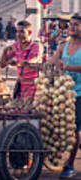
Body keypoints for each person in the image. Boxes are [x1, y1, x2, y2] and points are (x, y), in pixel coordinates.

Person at [49, 13, 81, 179]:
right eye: (71, 24)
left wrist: (67, 66)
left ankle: (69, 164)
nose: (73, 27)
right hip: (63, 93)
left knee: (73, 129)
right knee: (57, 124)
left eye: (76, 24)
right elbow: (52, 61)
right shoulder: (63, 45)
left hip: (80, 94)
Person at [0, 20, 43, 98]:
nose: (18, 35)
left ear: (29, 33)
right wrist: (5, 51)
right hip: (20, 85)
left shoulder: (36, 46)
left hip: (33, 85)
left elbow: (34, 60)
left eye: (22, 32)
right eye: (17, 32)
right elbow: (2, 65)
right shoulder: (16, 46)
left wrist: (18, 63)